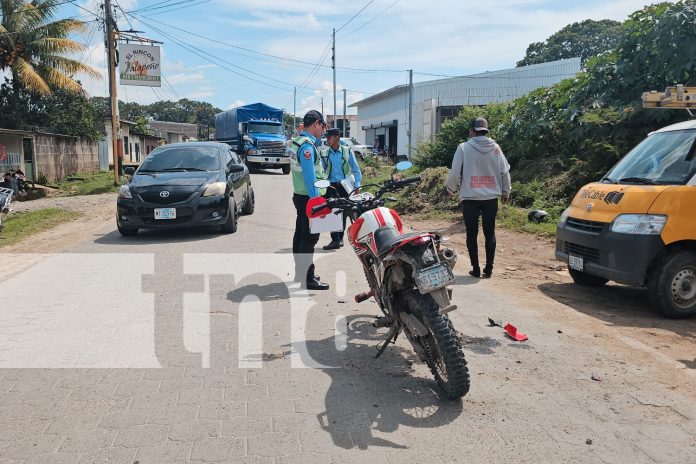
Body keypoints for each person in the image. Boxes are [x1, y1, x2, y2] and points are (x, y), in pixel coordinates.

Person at [445, 117, 511, 279]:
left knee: (471, 233)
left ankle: (475, 268)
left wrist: (450, 187)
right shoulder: (495, 148)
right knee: (490, 233)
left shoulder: (463, 148)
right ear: (485, 131)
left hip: (470, 198)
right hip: (490, 199)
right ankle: (488, 269)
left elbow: (455, 172)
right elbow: (505, 171)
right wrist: (505, 192)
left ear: (472, 131)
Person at [290, 110, 330, 290]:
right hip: (309, 198)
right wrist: (317, 202)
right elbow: (309, 178)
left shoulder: (297, 142)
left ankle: (301, 273)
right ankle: (308, 278)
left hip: (301, 196)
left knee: (300, 234)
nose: (323, 130)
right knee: (309, 238)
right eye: (323, 125)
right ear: (316, 123)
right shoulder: (307, 146)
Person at [320, 128, 363, 250]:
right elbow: (322, 171)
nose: (327, 140)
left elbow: (356, 169)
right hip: (331, 187)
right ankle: (335, 240)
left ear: (337, 138)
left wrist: (357, 185)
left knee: (343, 213)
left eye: (329, 138)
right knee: (332, 213)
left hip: (345, 186)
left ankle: (340, 238)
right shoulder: (325, 153)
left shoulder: (347, 151)